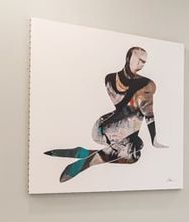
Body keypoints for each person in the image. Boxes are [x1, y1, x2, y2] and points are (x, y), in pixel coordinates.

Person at [45, 46, 167, 182]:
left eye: (144, 62)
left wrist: (150, 139)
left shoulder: (142, 83)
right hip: (104, 129)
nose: (141, 64)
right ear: (128, 57)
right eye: (139, 60)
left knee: (134, 155)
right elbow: (137, 112)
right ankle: (88, 162)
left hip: (115, 131)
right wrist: (150, 139)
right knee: (133, 148)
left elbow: (143, 112)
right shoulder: (117, 80)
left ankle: (84, 153)